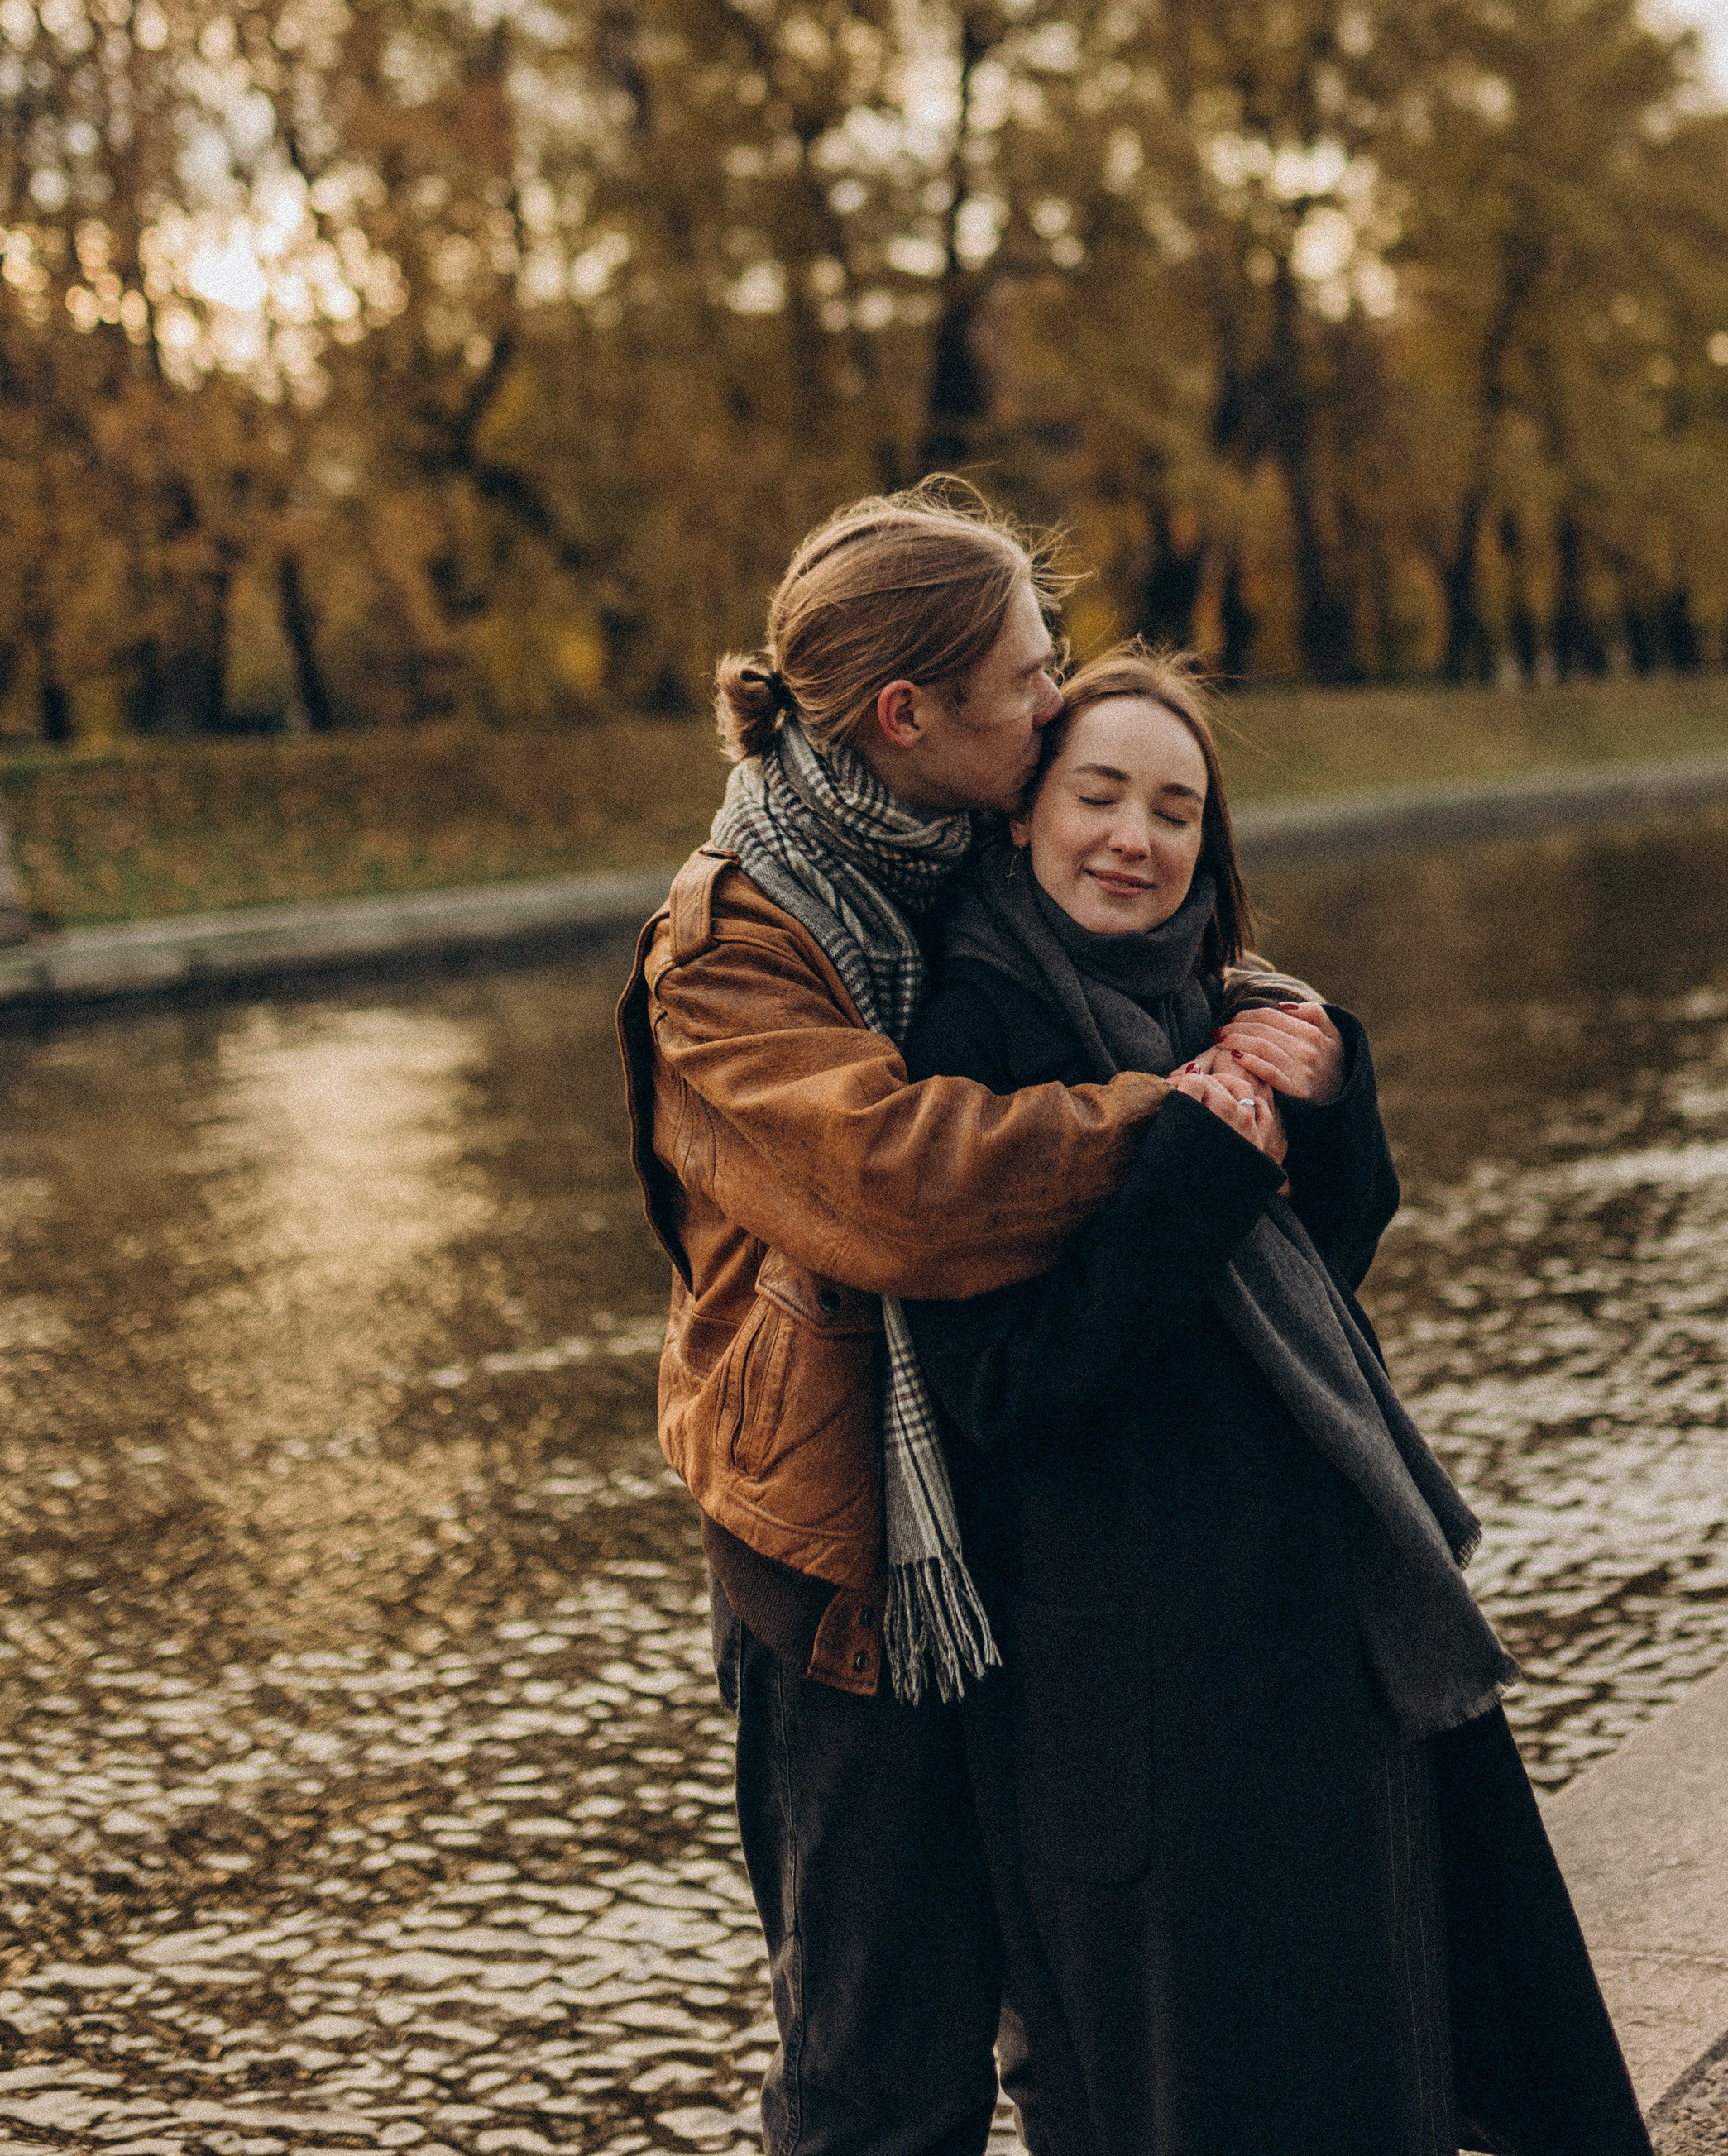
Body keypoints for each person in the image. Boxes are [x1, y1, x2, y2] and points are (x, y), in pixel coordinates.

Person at [901, 649, 1656, 2156]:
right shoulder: (970, 1036)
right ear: (1025, 813)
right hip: (1146, 1673)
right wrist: (1198, 1172)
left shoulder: (1215, 997)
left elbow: (1323, 1274)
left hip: (1321, 1625)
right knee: (1212, 2089)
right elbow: (1005, 1388)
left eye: (1175, 810)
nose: (1135, 838)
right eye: (1099, 796)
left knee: (1383, 2056)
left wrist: (1332, 1102)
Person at [616, 487, 1270, 2156]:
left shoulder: (972, 834)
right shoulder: (726, 945)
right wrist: (1180, 1116)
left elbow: (1159, 951)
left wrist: (1272, 1016)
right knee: (879, 2067)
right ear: (908, 715)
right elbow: (901, 1184)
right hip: (844, 1553)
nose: (1058, 699)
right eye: (1030, 674)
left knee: (1086, 2018)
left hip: (1020, 1503)